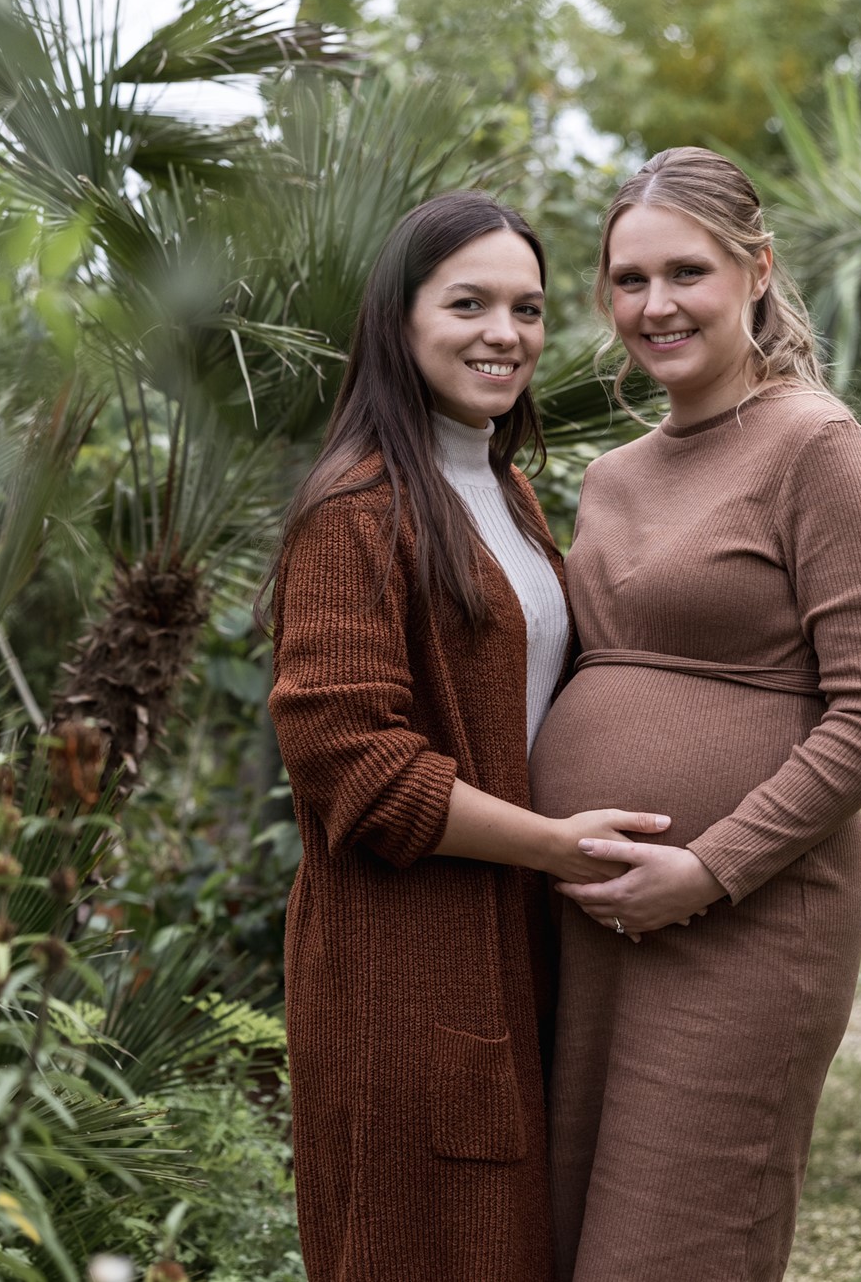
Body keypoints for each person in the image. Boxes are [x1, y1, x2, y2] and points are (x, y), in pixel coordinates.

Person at [531, 148, 861, 1281]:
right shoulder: (609, 477)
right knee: (568, 1238)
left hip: (743, 922)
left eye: (684, 273)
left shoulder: (814, 448)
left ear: (754, 270)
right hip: (587, 925)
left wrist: (703, 869)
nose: (654, 306)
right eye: (627, 280)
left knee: (674, 1248)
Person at [266, 190, 671, 1281]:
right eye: (469, 303)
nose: (505, 333)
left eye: (528, 308)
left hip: (519, 943)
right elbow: (349, 759)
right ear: (398, 322)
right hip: (407, 970)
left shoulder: (507, 492)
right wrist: (555, 846)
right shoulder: (353, 512)